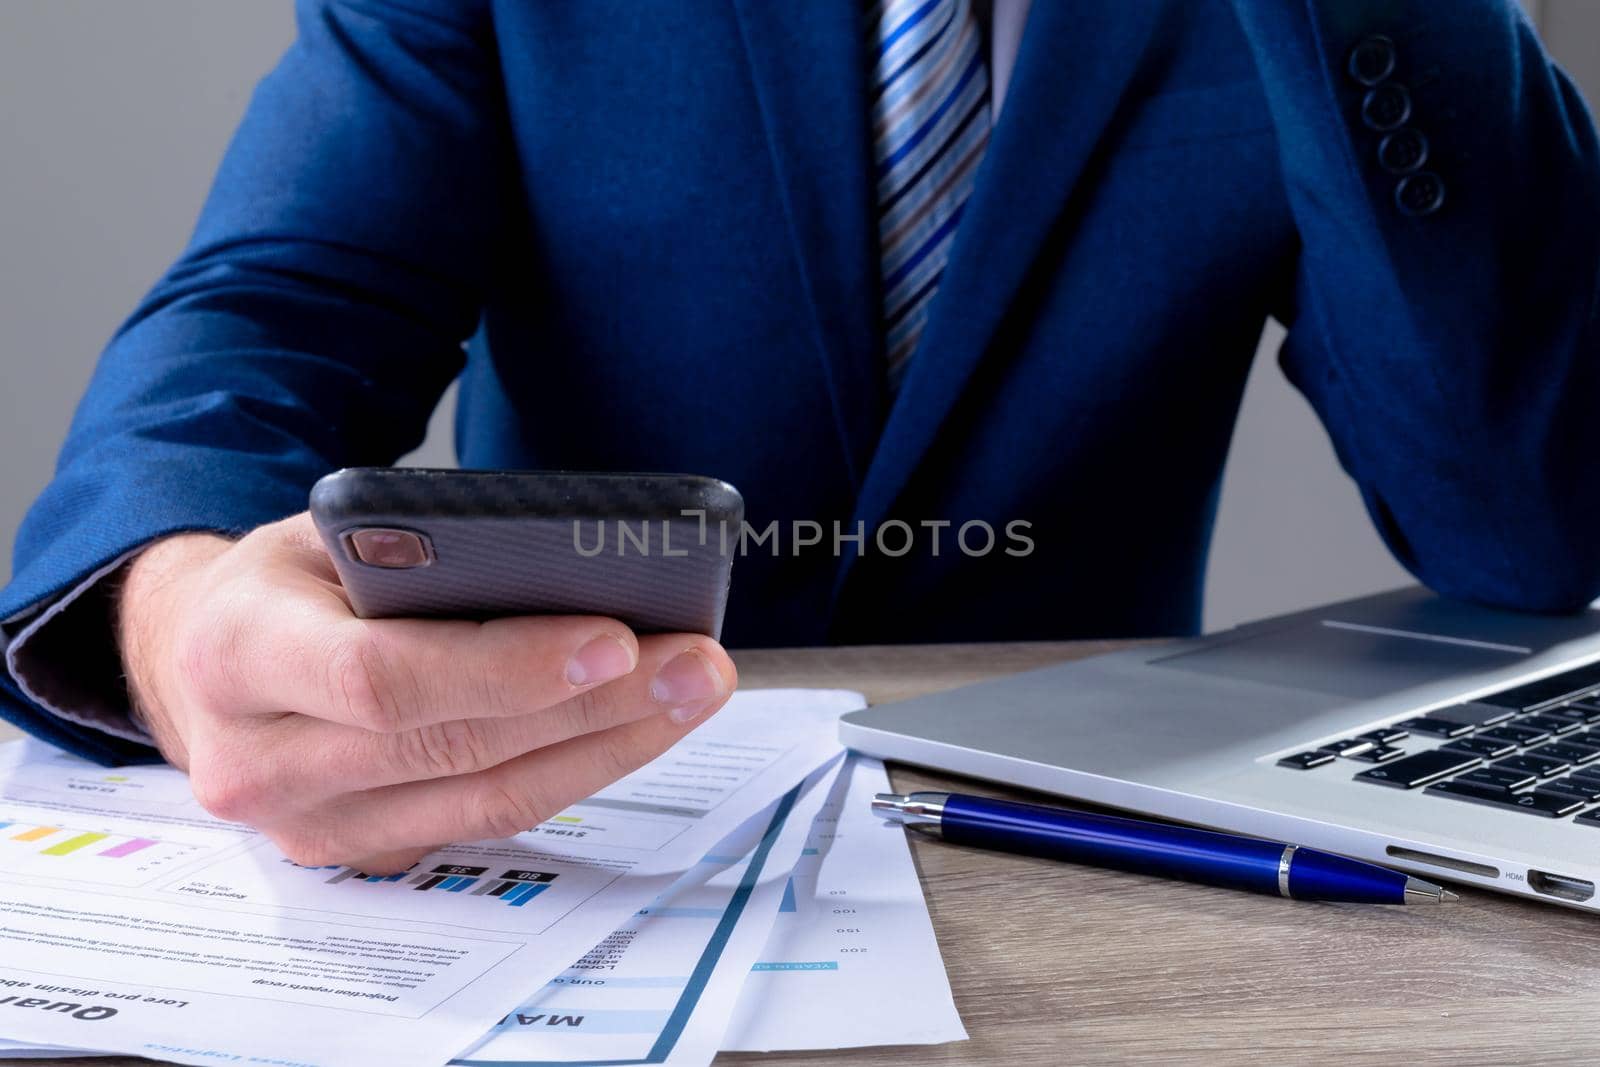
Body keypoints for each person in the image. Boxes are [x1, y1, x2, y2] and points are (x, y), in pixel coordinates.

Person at [3, 0, 1598, 873]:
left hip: (1100, 862)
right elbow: (277, 301)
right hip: (566, 827)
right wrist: (166, 609)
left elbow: (1533, 521)